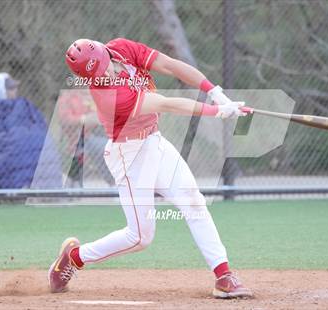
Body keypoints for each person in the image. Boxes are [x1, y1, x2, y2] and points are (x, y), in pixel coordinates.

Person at [48, 38, 252, 299]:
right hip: (129, 155)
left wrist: (214, 90)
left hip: (154, 141)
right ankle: (74, 257)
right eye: (97, 76)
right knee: (140, 237)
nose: (105, 75)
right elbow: (166, 104)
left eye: (104, 67)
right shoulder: (109, 95)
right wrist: (218, 111)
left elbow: (171, 65)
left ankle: (224, 276)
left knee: (194, 202)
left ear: (105, 52)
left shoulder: (121, 48)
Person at [0, 72, 61, 189]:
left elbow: (39, 123)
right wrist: (16, 136)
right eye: (10, 87)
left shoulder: (22, 104)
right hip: (3, 147)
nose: (15, 89)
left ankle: (35, 186)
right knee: (19, 144)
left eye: (14, 87)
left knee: (40, 140)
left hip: (21, 141)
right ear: (0, 90)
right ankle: (20, 186)